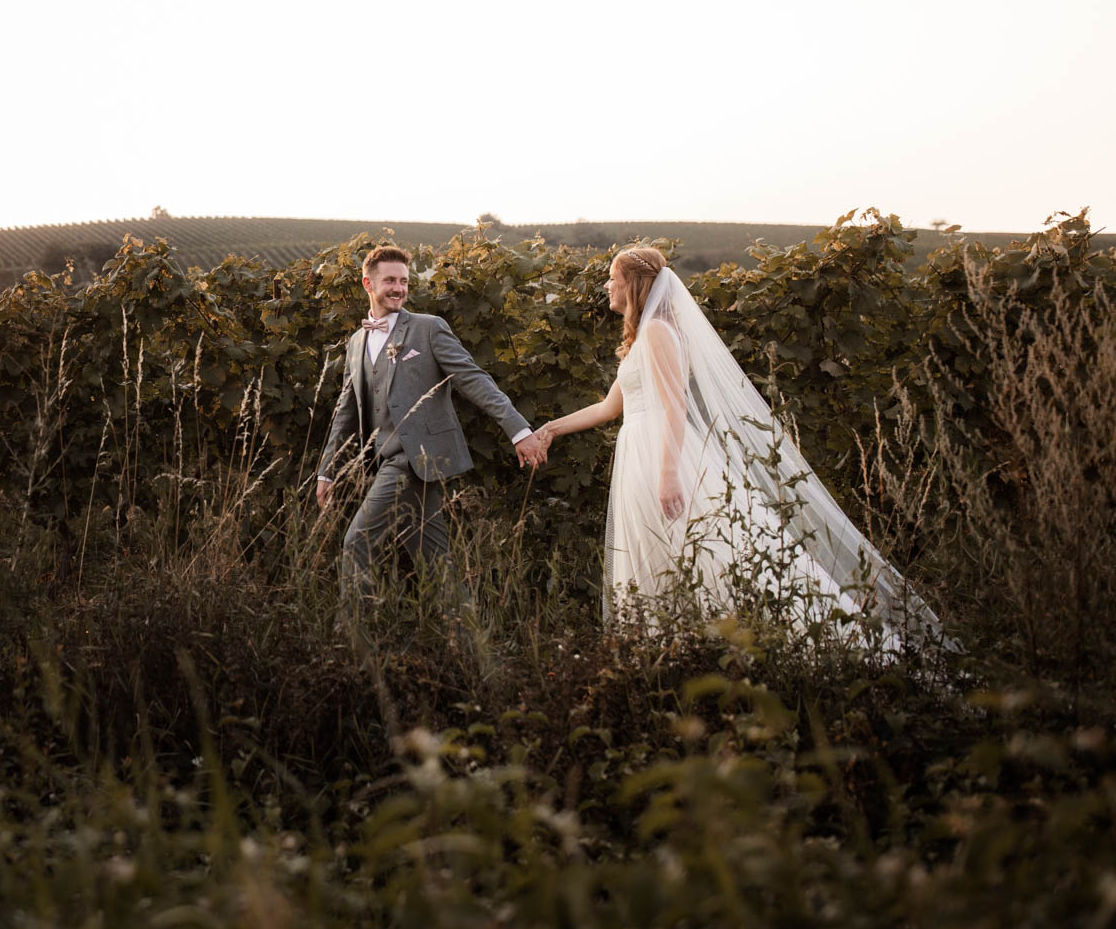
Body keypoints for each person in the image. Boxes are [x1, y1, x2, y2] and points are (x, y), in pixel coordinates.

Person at [536, 247, 942, 647]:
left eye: (613, 277)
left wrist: (669, 474)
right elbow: (611, 407)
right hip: (640, 452)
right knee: (657, 553)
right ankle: (670, 645)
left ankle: (767, 638)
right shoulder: (645, 334)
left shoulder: (659, 331)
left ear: (634, 284)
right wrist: (551, 429)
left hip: (662, 454)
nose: (607, 284)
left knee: (713, 554)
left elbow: (675, 405)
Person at [316, 245, 548, 610]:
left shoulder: (428, 329)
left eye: (404, 281)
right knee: (437, 562)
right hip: (387, 461)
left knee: (356, 543)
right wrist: (327, 471)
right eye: (390, 280)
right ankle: (471, 645)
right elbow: (346, 410)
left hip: (412, 460)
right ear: (367, 283)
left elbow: (474, 379)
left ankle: (355, 646)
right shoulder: (356, 342)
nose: (399, 288)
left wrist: (519, 431)